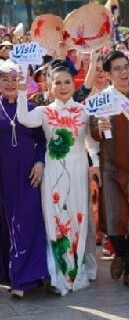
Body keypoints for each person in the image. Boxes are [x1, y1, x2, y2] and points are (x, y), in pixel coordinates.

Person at [17, 59, 101, 296]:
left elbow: (91, 143)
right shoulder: (43, 111)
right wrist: (23, 92)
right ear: (49, 85)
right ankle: (57, 274)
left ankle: (76, 271)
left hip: (78, 170)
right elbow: (24, 119)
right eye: (58, 83)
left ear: (73, 84)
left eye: (67, 82)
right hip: (53, 171)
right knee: (54, 218)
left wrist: (95, 165)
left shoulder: (84, 111)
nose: (63, 87)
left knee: (78, 218)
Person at [90, 51, 129, 291]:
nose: (124, 72)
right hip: (110, 167)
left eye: (126, 67)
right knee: (113, 218)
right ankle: (120, 252)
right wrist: (99, 126)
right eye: (117, 68)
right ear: (107, 74)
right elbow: (92, 133)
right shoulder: (99, 100)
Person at [0, 60, 48, 297]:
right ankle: (9, 273)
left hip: (29, 174)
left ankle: (23, 278)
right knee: (6, 225)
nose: (10, 83)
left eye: (14, 79)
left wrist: (40, 162)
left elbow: (42, 140)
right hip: (4, 176)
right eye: (4, 79)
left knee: (26, 222)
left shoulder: (31, 107)